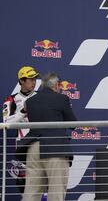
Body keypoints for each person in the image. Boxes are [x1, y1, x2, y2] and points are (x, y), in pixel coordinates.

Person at [19, 72, 77, 201]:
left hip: (33, 148)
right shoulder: (62, 99)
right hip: (55, 148)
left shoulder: (30, 101)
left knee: (31, 192)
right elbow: (73, 124)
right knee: (56, 193)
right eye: (60, 86)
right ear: (56, 85)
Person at [2, 66, 39, 194]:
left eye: (35, 79)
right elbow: (6, 122)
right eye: (30, 79)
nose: (34, 82)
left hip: (41, 143)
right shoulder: (11, 99)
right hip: (22, 144)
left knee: (43, 180)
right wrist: (23, 111)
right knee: (24, 184)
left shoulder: (41, 97)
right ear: (22, 81)